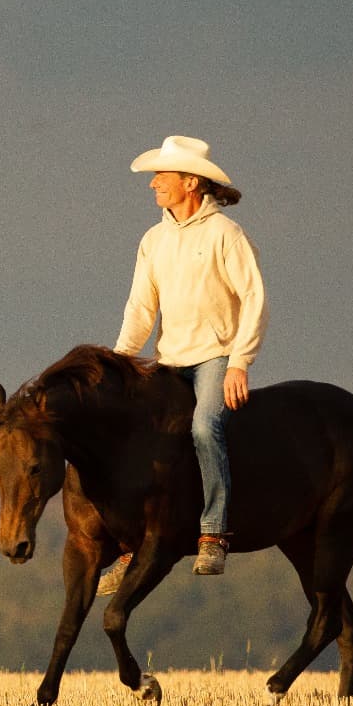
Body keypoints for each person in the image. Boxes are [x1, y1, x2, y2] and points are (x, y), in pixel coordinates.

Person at [100, 135, 267, 591]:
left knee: (202, 428)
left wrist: (239, 362)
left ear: (190, 182)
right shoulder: (153, 240)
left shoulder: (226, 236)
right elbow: (140, 309)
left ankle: (213, 533)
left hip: (215, 357)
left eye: (162, 176)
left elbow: (254, 299)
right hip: (169, 360)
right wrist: (119, 364)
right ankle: (130, 545)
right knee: (135, 438)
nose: (153, 183)